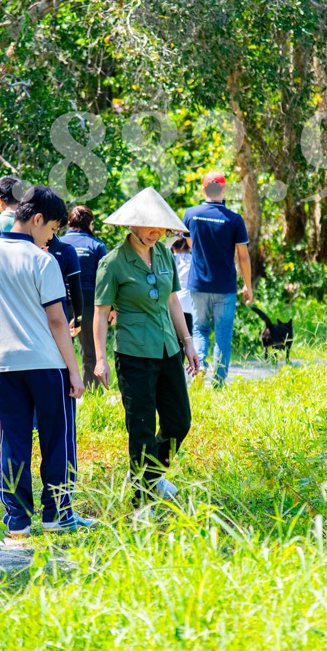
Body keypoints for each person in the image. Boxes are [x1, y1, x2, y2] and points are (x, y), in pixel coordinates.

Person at [0, 185, 93, 538]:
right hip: (46, 364)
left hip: (6, 366)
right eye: (52, 229)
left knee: (14, 440)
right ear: (37, 219)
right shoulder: (43, 261)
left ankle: (17, 520)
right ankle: (58, 513)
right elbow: (58, 321)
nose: (50, 238)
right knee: (58, 439)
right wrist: (74, 371)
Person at [93, 187, 200, 506]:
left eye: (162, 227)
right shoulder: (112, 263)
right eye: (150, 226)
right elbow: (100, 314)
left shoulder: (166, 254)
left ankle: (150, 475)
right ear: (133, 224)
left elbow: (172, 301)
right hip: (134, 354)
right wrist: (100, 359)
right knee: (141, 428)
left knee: (179, 421)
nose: (157, 233)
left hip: (169, 349)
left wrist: (188, 343)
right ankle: (142, 503)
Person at [183, 171, 252, 388]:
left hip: (198, 284)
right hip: (225, 286)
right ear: (224, 190)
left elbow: (192, 246)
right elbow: (243, 256)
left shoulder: (191, 215)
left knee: (200, 329)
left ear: (203, 190)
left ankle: (200, 366)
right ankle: (219, 384)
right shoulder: (234, 219)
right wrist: (247, 285)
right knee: (223, 333)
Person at [59, 206, 108, 387]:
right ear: (90, 223)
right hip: (88, 300)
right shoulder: (96, 246)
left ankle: (62, 388)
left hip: (61, 299)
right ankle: (91, 390)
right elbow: (104, 279)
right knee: (90, 348)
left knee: (60, 347)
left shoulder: (59, 243)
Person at [46, 233, 83, 330]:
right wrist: (78, 320)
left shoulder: (24, 250)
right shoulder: (66, 250)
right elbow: (75, 289)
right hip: (59, 310)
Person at [170, 237, 194, 336]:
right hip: (190, 305)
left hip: (173, 304)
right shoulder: (193, 260)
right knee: (189, 338)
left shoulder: (168, 260)